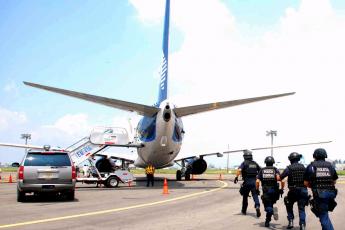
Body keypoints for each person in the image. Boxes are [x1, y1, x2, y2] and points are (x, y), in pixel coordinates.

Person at [304, 148, 338, 230]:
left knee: (323, 217)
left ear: (314, 156)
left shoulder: (311, 166)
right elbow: (334, 180)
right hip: (331, 193)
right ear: (325, 156)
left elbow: (305, 183)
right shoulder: (330, 166)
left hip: (320, 195)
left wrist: (313, 186)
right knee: (324, 215)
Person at [280, 152, 308, 230]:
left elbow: (280, 178)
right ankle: (302, 225)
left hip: (293, 190)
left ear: (290, 159)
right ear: (298, 159)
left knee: (288, 203)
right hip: (303, 190)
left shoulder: (289, 168)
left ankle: (291, 221)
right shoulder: (303, 167)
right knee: (301, 208)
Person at [256, 156, 284, 227]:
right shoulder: (275, 169)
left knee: (267, 207)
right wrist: (282, 189)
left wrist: (257, 189)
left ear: (265, 162)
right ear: (273, 162)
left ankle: (272, 212)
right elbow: (281, 180)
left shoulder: (262, 170)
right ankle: (267, 221)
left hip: (266, 191)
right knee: (270, 204)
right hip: (275, 191)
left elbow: (257, 181)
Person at [234, 150, 261, 217]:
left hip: (247, 182)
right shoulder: (255, 163)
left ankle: (244, 210)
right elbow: (260, 170)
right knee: (255, 195)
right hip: (254, 182)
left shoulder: (244, 163)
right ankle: (257, 206)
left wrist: (236, 177)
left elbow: (239, 170)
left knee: (245, 196)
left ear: (245, 157)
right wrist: (258, 177)